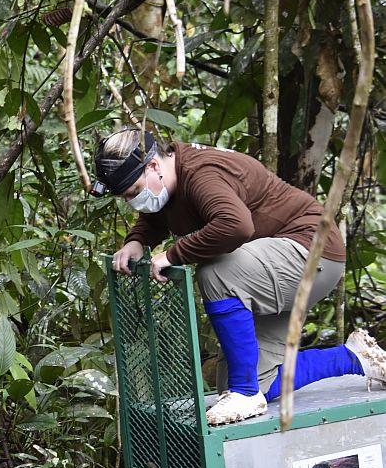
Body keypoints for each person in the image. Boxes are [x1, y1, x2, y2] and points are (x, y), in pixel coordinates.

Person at [94, 128, 386, 426]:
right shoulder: (170, 177)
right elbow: (158, 214)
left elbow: (236, 226)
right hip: (273, 268)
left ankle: (246, 393)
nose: (134, 201)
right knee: (244, 382)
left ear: (154, 165)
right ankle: (353, 358)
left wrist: (172, 255)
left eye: (133, 192)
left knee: (217, 271)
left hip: (312, 253)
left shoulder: (200, 174)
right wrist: (138, 240)